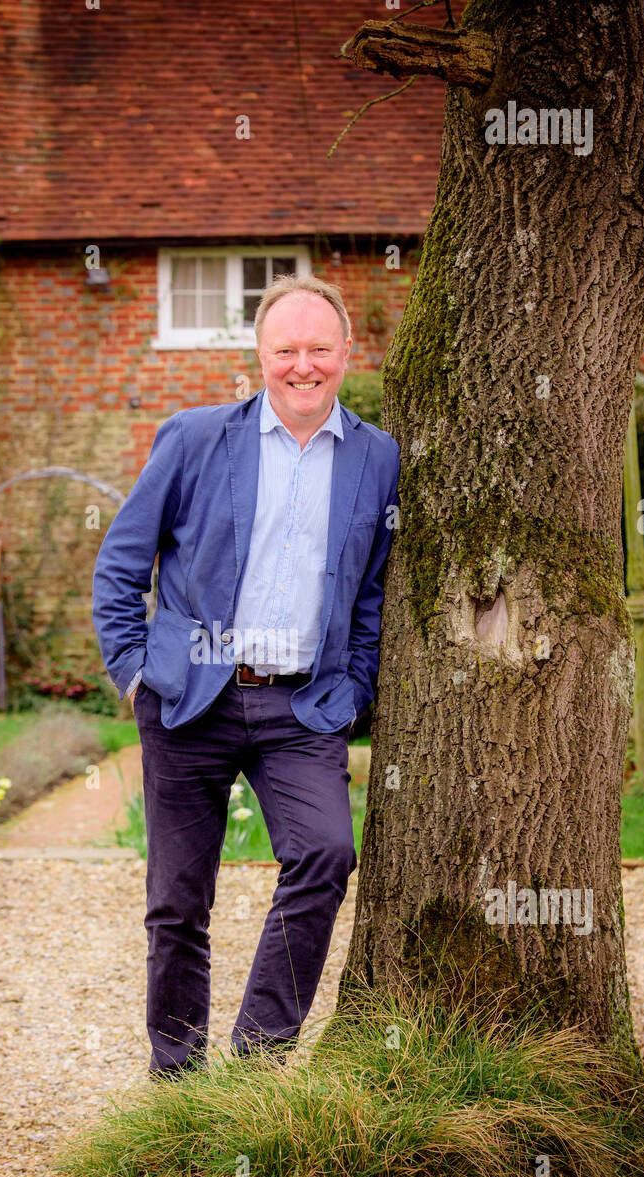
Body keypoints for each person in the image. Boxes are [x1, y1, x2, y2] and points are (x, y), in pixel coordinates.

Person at [92, 275, 400, 1077]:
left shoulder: (375, 456)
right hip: (188, 701)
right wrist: (133, 671)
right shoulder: (195, 438)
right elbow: (122, 561)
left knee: (326, 854)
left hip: (302, 705)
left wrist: (355, 687)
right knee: (177, 901)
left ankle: (259, 1057)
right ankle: (178, 1075)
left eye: (319, 349)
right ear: (260, 357)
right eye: (286, 350)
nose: (303, 366)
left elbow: (368, 590)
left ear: (345, 353)